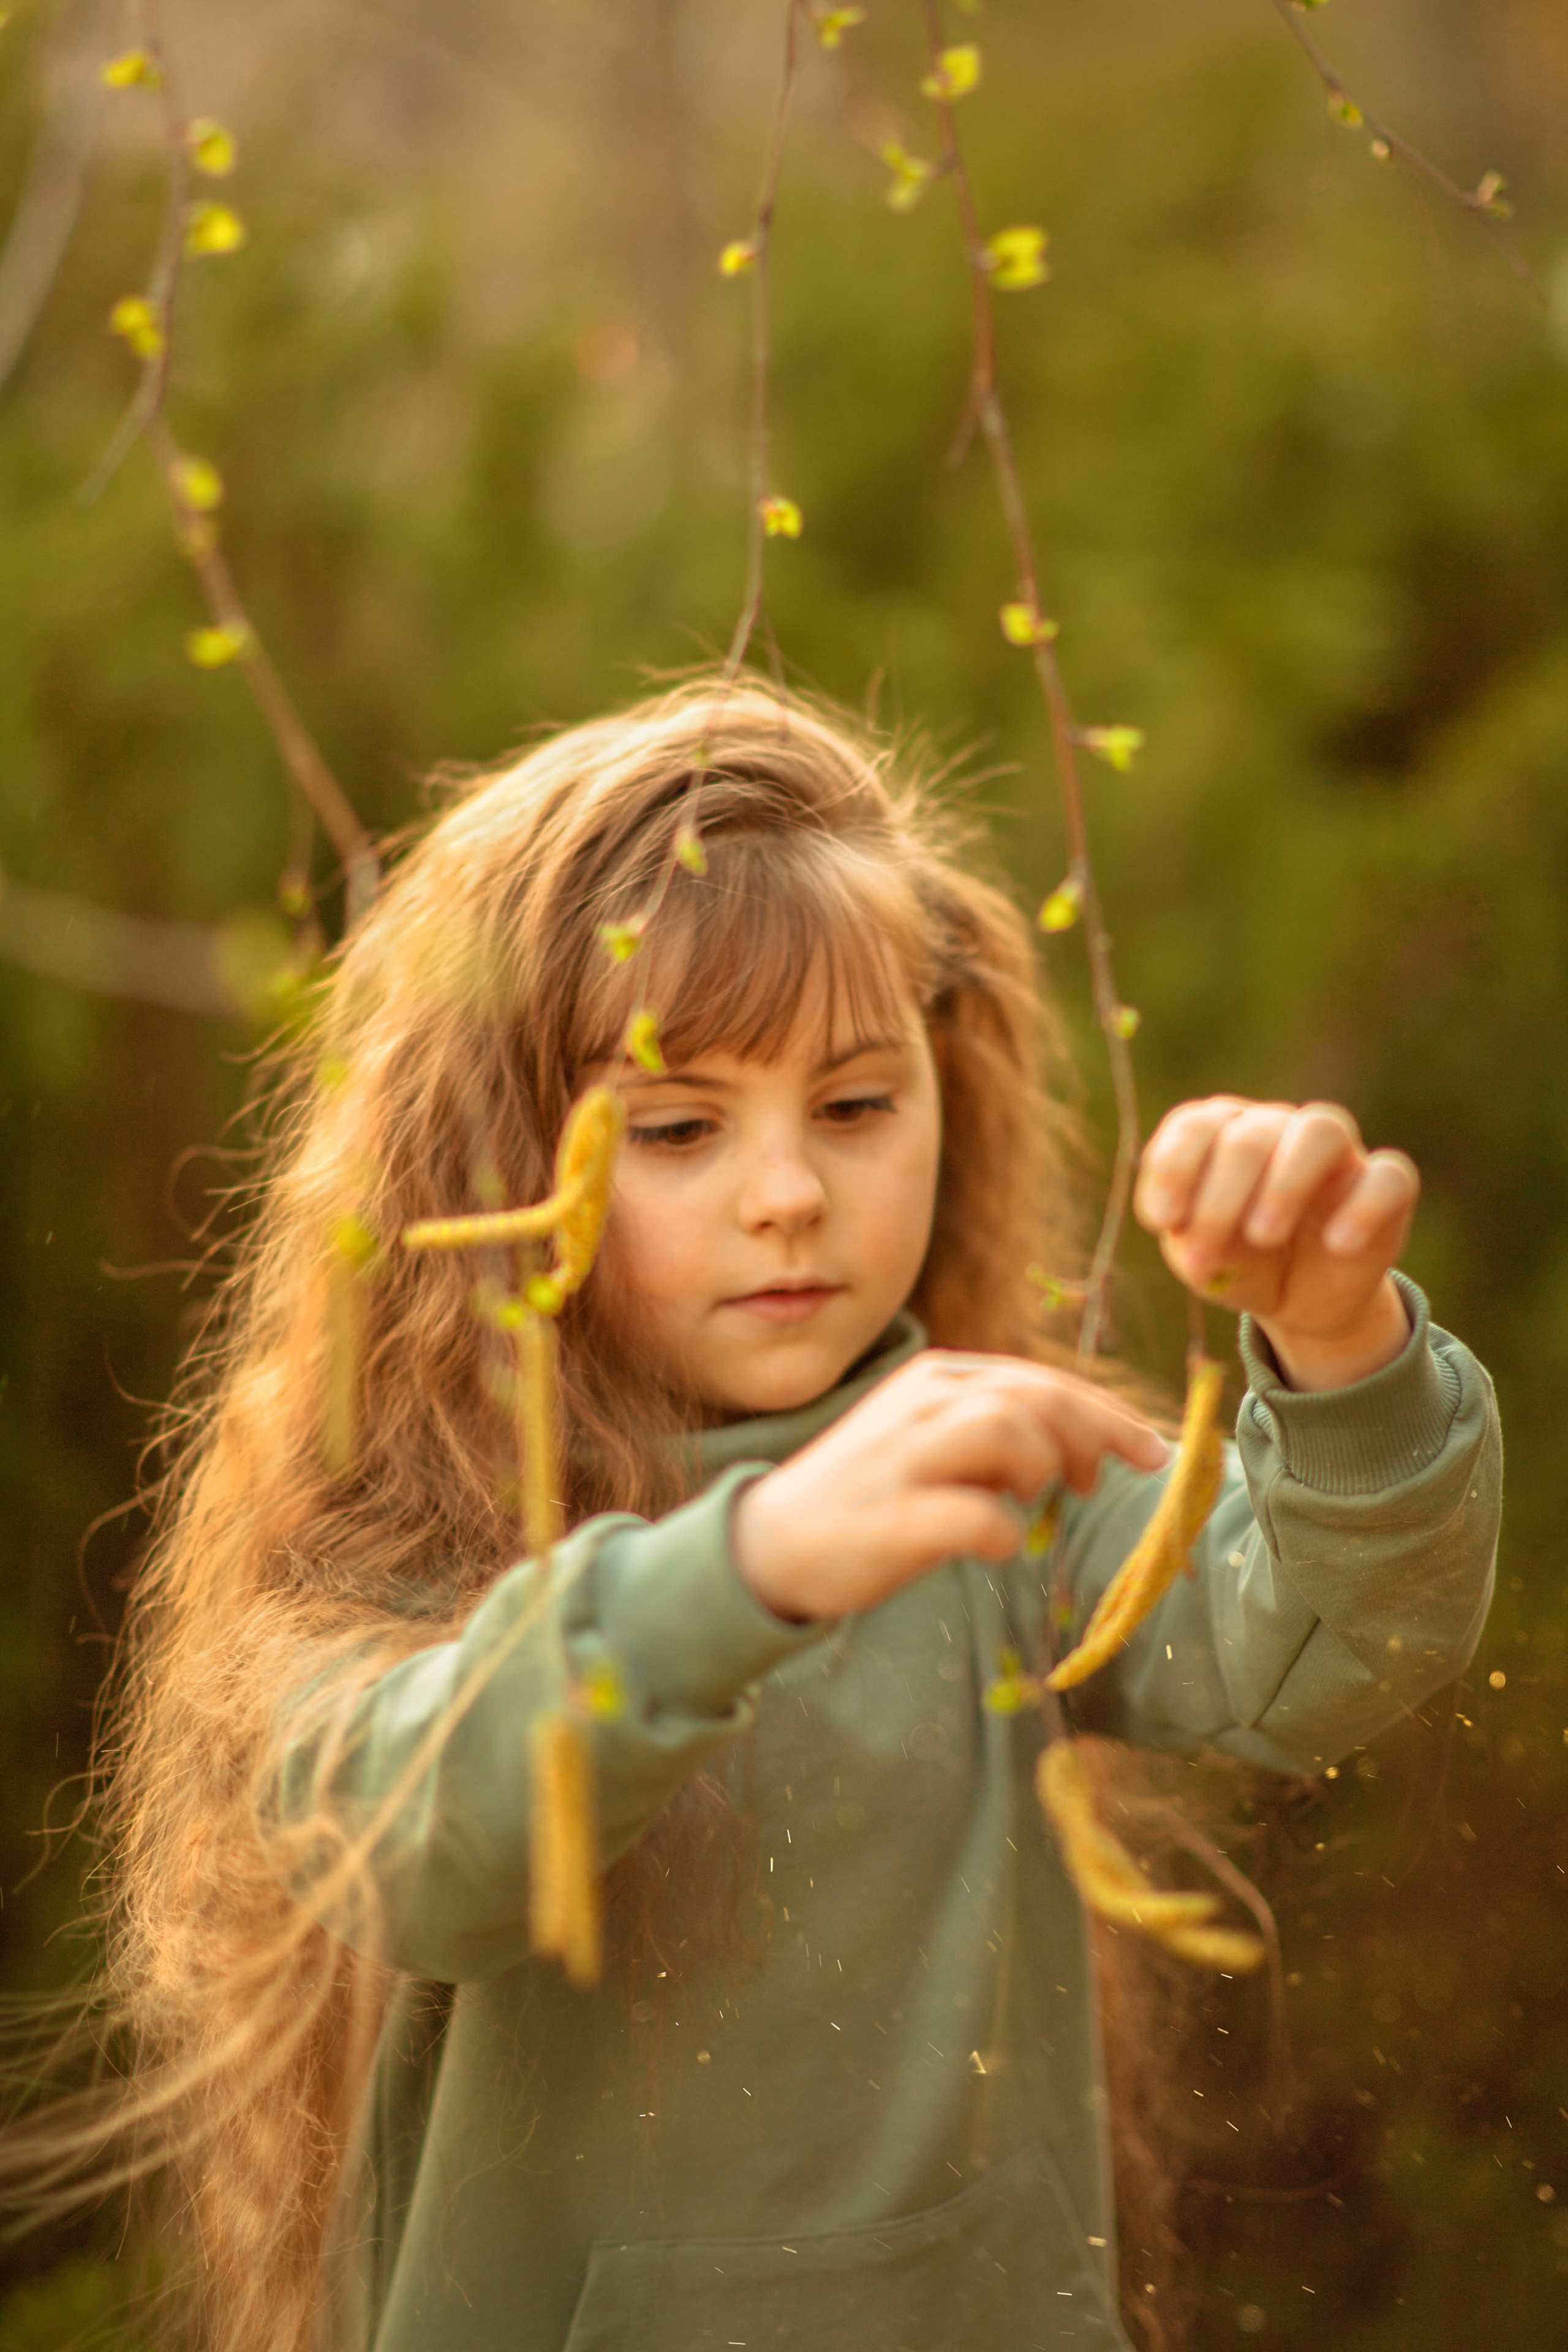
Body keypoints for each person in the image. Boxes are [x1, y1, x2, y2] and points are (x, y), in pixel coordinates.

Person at [50, 680, 1499, 2352]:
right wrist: (746, 1571)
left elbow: (1325, 1645)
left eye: (859, 1105)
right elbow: (428, 1846)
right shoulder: (389, 1558)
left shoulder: (987, 1487)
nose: (791, 1191)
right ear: (490, 1160)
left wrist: (1338, 1342)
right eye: (676, 1128)